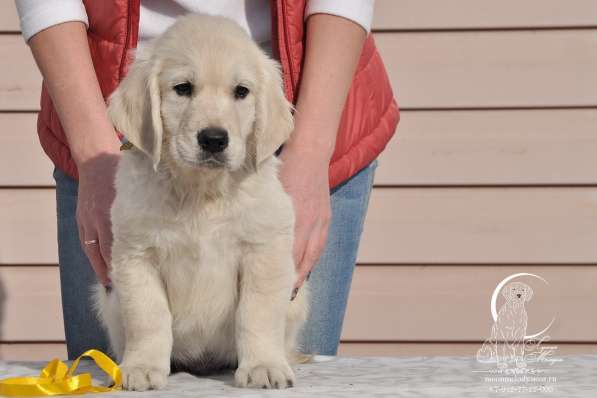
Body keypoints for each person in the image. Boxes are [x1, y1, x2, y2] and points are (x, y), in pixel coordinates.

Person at [15, 0, 399, 359]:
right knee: (122, 372)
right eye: (185, 90)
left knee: (275, 367)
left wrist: (312, 151)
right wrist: (94, 157)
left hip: (288, 117)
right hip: (116, 120)